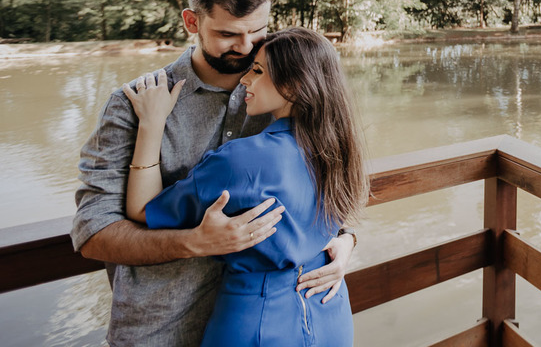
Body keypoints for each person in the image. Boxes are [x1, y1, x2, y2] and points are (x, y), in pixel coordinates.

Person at [71, 0, 356, 346]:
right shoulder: (133, 103)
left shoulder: (287, 91)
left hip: (268, 323)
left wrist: (344, 241)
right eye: (227, 34)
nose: (245, 46)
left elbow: (332, 177)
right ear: (192, 23)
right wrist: (194, 242)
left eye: (257, 31)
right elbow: (94, 232)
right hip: (161, 328)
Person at [123, 28, 369, 347]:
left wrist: (152, 124)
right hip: (329, 309)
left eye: (257, 70)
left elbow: (143, 209)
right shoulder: (339, 151)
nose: (244, 80)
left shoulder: (241, 161)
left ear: (294, 85)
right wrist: (347, 238)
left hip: (258, 321)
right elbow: (335, 220)